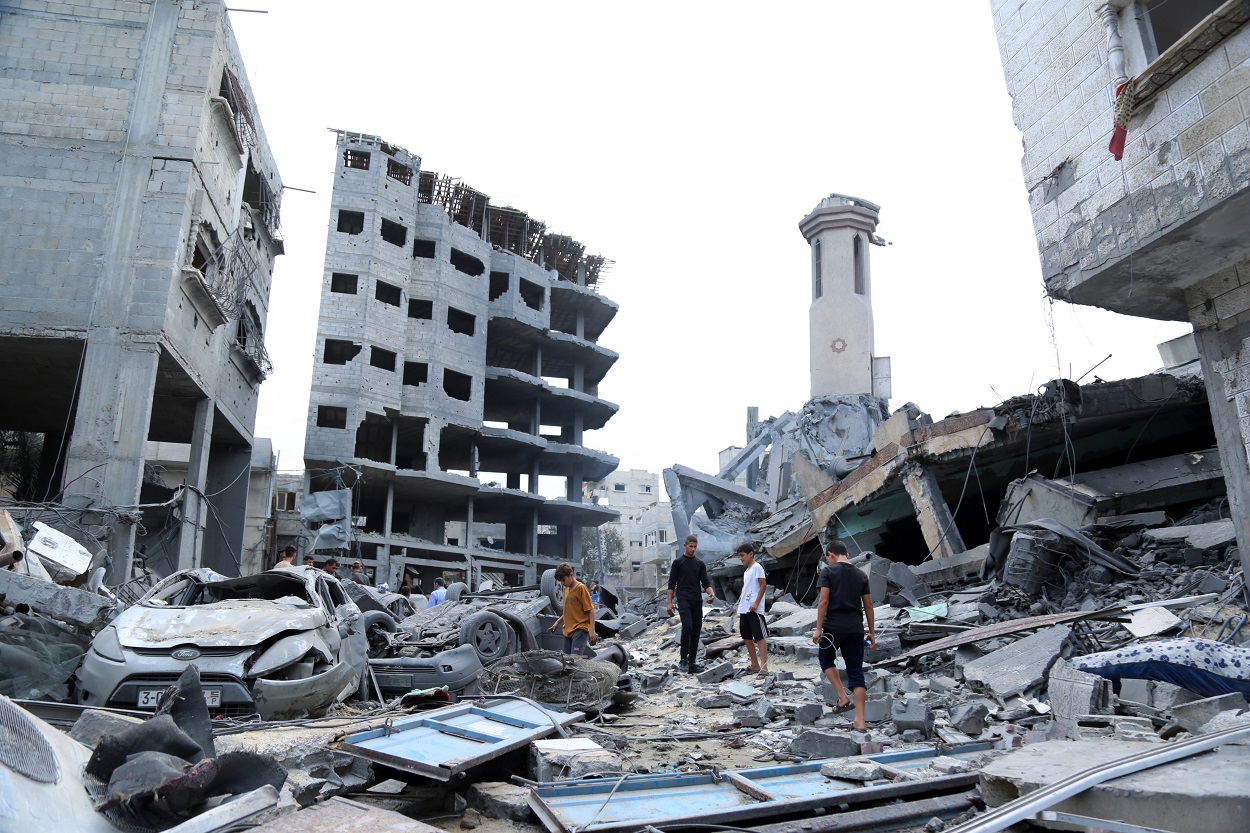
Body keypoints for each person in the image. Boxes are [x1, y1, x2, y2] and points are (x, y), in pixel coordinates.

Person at [812, 540, 876, 730]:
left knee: (825, 659)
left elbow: (823, 602)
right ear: (846, 554)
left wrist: (818, 628)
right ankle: (860, 721)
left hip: (833, 629)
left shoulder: (828, 572)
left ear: (831, 554)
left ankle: (841, 696)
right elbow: (869, 605)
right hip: (855, 629)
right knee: (856, 673)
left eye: (827, 557)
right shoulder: (861, 575)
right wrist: (871, 632)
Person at [667, 535, 715, 673]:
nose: (693, 549)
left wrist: (712, 593)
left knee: (696, 630)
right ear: (685, 545)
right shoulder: (678, 562)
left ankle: (692, 662)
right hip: (683, 599)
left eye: (695, 546)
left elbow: (705, 582)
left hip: (696, 600)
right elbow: (671, 584)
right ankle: (683, 659)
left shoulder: (700, 564)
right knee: (687, 627)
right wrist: (669, 603)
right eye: (690, 546)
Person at [548, 562, 596, 656]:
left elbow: (591, 609)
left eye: (563, 580)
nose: (562, 583)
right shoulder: (566, 588)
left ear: (571, 575)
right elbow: (569, 611)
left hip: (580, 629)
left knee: (573, 660)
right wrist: (557, 623)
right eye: (560, 581)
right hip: (568, 630)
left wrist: (592, 629)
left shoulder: (581, 588)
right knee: (566, 661)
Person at [736, 542, 769, 674]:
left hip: (754, 609)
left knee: (759, 637)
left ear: (751, 554)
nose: (741, 558)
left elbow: (763, 585)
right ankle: (754, 664)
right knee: (746, 637)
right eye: (739, 556)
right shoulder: (747, 571)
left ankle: (764, 666)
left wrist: (756, 603)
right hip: (744, 608)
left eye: (742, 555)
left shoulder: (757, 567)